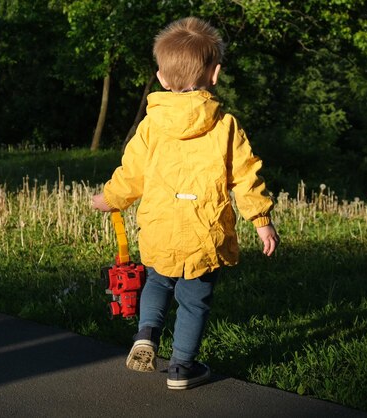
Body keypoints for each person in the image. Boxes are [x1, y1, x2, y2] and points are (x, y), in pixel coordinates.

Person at [91, 16, 279, 390]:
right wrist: (261, 220)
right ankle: (181, 368)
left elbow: (132, 173)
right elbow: (245, 175)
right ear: (215, 74)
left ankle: (146, 334)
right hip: (203, 232)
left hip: (159, 228)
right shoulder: (226, 126)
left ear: (161, 78)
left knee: (158, 282)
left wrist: (110, 198)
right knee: (194, 299)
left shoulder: (150, 125)